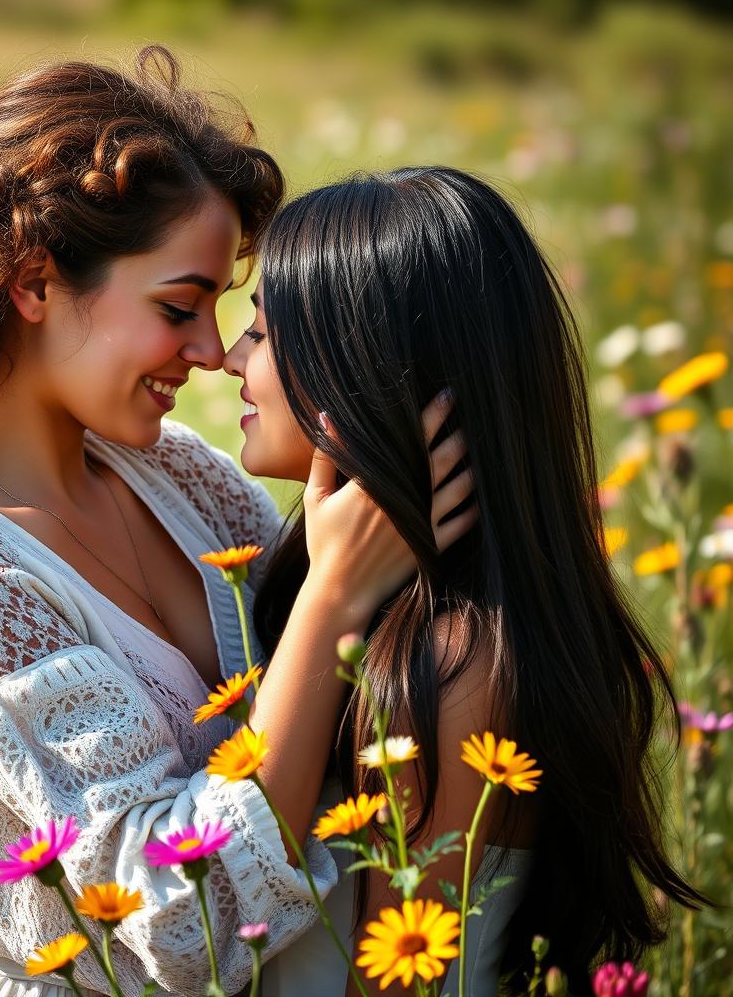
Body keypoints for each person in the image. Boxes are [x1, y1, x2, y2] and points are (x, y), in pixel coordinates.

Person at [0, 49, 472, 997]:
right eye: (180, 306)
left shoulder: (176, 475)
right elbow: (177, 922)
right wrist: (331, 599)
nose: (212, 352)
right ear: (35, 283)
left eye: (219, 308)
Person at [221, 168, 706, 995]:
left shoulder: (449, 669)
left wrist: (332, 593)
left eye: (263, 334)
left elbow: (395, 980)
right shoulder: (406, 619)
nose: (229, 358)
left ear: (365, 369)